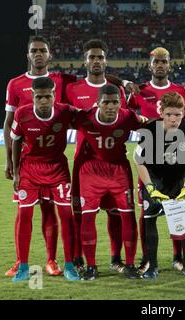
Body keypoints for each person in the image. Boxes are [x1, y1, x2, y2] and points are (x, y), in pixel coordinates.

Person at [3, 36, 76, 277]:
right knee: (23, 212)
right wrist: (9, 162)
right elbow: (9, 124)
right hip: (28, 163)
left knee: (51, 210)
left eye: (42, 50)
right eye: (33, 50)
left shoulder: (61, 81)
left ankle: (53, 260)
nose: (38, 54)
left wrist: (123, 82)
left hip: (54, 162)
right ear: (28, 55)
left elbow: (93, 83)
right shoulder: (15, 84)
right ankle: (20, 261)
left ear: (49, 54)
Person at [127, 47, 185, 273]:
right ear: (150, 65)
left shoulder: (180, 90)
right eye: (156, 61)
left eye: (164, 61)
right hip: (150, 160)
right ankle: (147, 259)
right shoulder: (140, 90)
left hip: (175, 159)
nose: (160, 65)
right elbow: (128, 117)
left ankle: (178, 257)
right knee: (148, 212)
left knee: (178, 209)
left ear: (169, 64)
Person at [66, 39, 128, 275]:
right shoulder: (73, 89)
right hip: (84, 162)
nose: (96, 61)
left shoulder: (117, 91)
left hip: (113, 163)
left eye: (100, 57)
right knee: (81, 214)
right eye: (92, 57)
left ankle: (116, 258)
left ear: (105, 60)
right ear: (85, 60)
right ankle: (79, 259)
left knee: (116, 214)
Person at [72, 84, 146, 280]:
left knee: (127, 216)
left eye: (115, 102)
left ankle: (129, 264)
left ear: (120, 103)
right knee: (87, 218)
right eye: (106, 102)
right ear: (97, 103)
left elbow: (149, 127)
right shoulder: (84, 117)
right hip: (91, 171)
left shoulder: (128, 116)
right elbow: (59, 120)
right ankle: (91, 266)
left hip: (119, 171)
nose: (111, 106)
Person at [133, 92, 185, 279]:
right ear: (161, 112)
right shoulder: (149, 130)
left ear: (183, 113)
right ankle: (152, 266)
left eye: (177, 114)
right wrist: (150, 188)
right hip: (155, 182)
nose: (173, 119)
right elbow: (139, 161)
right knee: (150, 221)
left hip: (179, 181)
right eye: (169, 114)